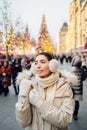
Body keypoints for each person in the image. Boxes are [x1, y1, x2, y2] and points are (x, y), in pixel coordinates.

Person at [15, 52, 76, 130]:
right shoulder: (30, 85)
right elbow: (23, 122)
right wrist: (22, 95)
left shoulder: (63, 86)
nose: (38, 66)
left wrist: (40, 103)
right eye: (36, 63)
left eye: (42, 62)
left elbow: (65, 120)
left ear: (52, 65)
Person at [71, 55, 86, 120]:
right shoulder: (82, 69)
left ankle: (70, 113)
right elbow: (83, 78)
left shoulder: (72, 70)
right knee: (77, 102)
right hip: (79, 89)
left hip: (72, 88)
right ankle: (75, 114)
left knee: (70, 101)